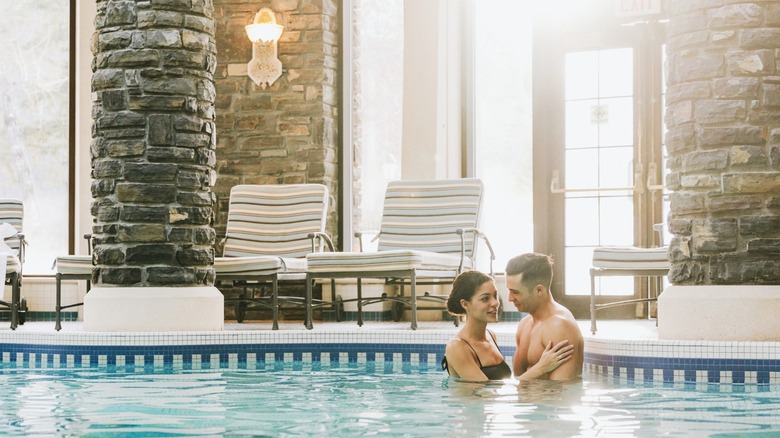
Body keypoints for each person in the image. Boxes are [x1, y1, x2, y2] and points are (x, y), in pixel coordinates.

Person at [441, 270, 574, 381]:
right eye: (485, 298)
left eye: (495, 296)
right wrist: (542, 367)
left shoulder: (490, 335)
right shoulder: (457, 347)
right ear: (465, 304)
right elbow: (486, 391)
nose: (495, 303)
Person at [505, 253, 584, 380]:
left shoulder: (560, 327)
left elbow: (561, 393)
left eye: (515, 292)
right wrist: (540, 368)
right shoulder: (524, 324)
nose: (509, 298)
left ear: (539, 290)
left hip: (544, 400)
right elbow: (518, 377)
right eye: (509, 290)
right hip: (528, 398)